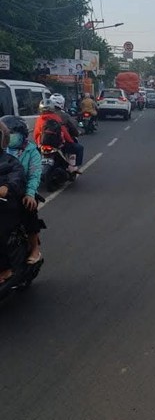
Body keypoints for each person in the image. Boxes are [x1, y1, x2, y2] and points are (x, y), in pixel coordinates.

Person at [2, 115, 46, 264]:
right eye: (8, 136)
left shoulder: (32, 152)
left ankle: (34, 248)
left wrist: (30, 194)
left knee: (29, 210)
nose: (10, 139)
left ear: (22, 136)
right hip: (3, 193)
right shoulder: (3, 151)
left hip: (21, 192)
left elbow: (34, 175)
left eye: (13, 136)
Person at [0, 120, 26, 283]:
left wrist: (6, 187)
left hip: (5, 205)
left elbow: (17, 177)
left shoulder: (9, 160)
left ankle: (5, 268)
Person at [33, 100, 83, 171]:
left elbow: (36, 134)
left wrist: (38, 144)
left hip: (42, 145)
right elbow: (64, 132)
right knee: (79, 148)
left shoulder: (39, 119)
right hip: (57, 145)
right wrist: (71, 141)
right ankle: (73, 167)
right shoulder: (56, 117)